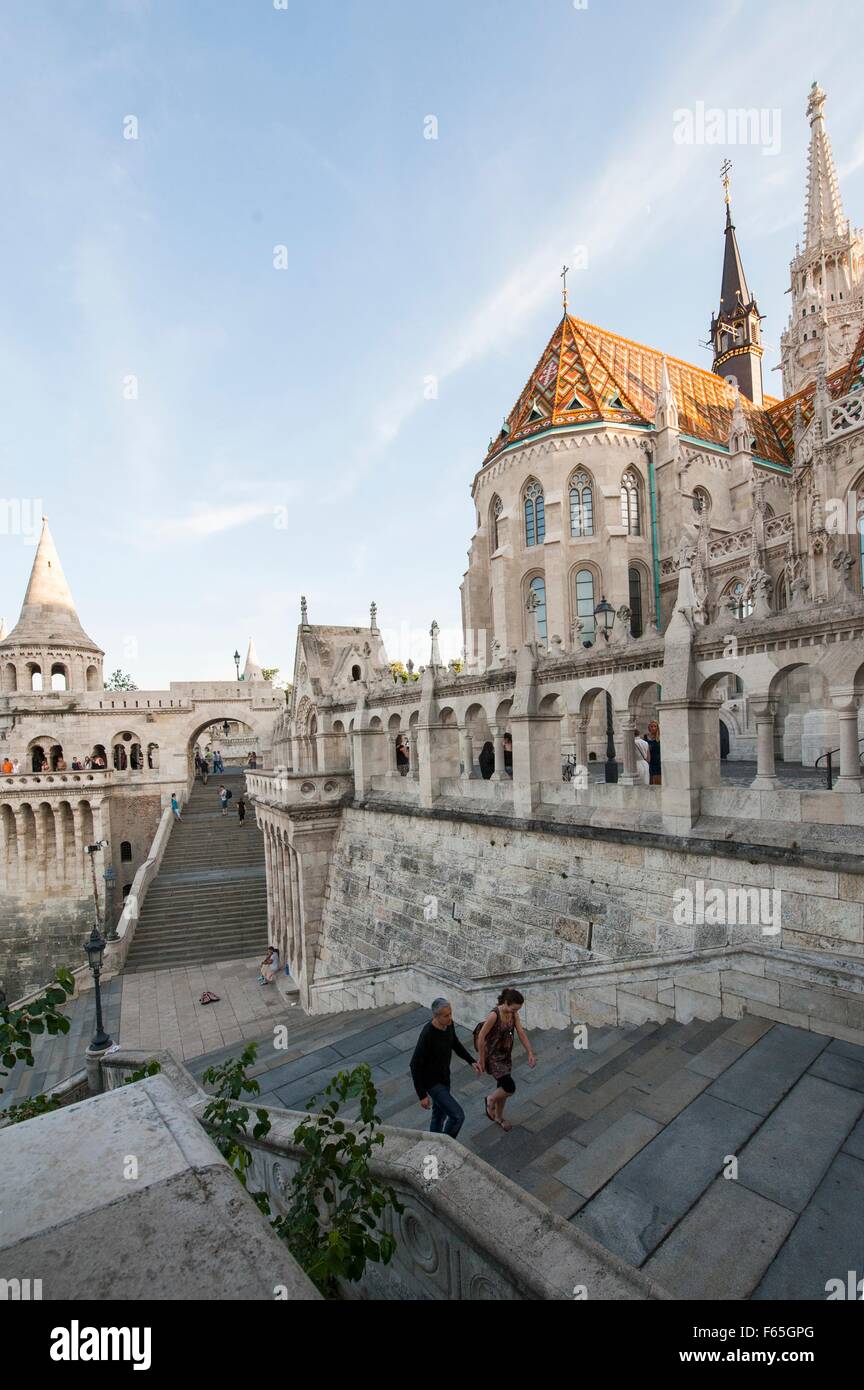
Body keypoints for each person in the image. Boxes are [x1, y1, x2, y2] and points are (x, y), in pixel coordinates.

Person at [409, 998, 480, 1138]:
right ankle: (446, 1143)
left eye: (451, 1014)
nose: (450, 1018)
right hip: (432, 1083)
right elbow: (414, 1064)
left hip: (444, 1078)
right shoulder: (428, 1034)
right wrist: (422, 1095)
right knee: (458, 1116)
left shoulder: (449, 1025)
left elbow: (455, 1043)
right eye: (446, 1015)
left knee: (439, 1116)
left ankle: (434, 1143)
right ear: (436, 1016)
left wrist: (471, 1061)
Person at [476, 987, 536, 1132]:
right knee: (509, 1087)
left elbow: (521, 1032)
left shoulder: (513, 1015)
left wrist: (530, 1052)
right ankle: (490, 1099)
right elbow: (481, 1037)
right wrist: (482, 1060)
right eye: (513, 1009)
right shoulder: (494, 1015)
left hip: (505, 1055)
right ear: (506, 1003)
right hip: (493, 1057)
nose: (515, 1012)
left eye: (517, 1010)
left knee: (502, 1087)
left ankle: (499, 1117)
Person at [646, 720, 662, 786]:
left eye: (655, 726)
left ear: (657, 728)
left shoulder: (660, 739)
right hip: (649, 764)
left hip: (658, 764)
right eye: (651, 726)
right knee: (650, 783)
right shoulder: (646, 738)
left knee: (657, 784)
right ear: (649, 728)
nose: (653, 728)